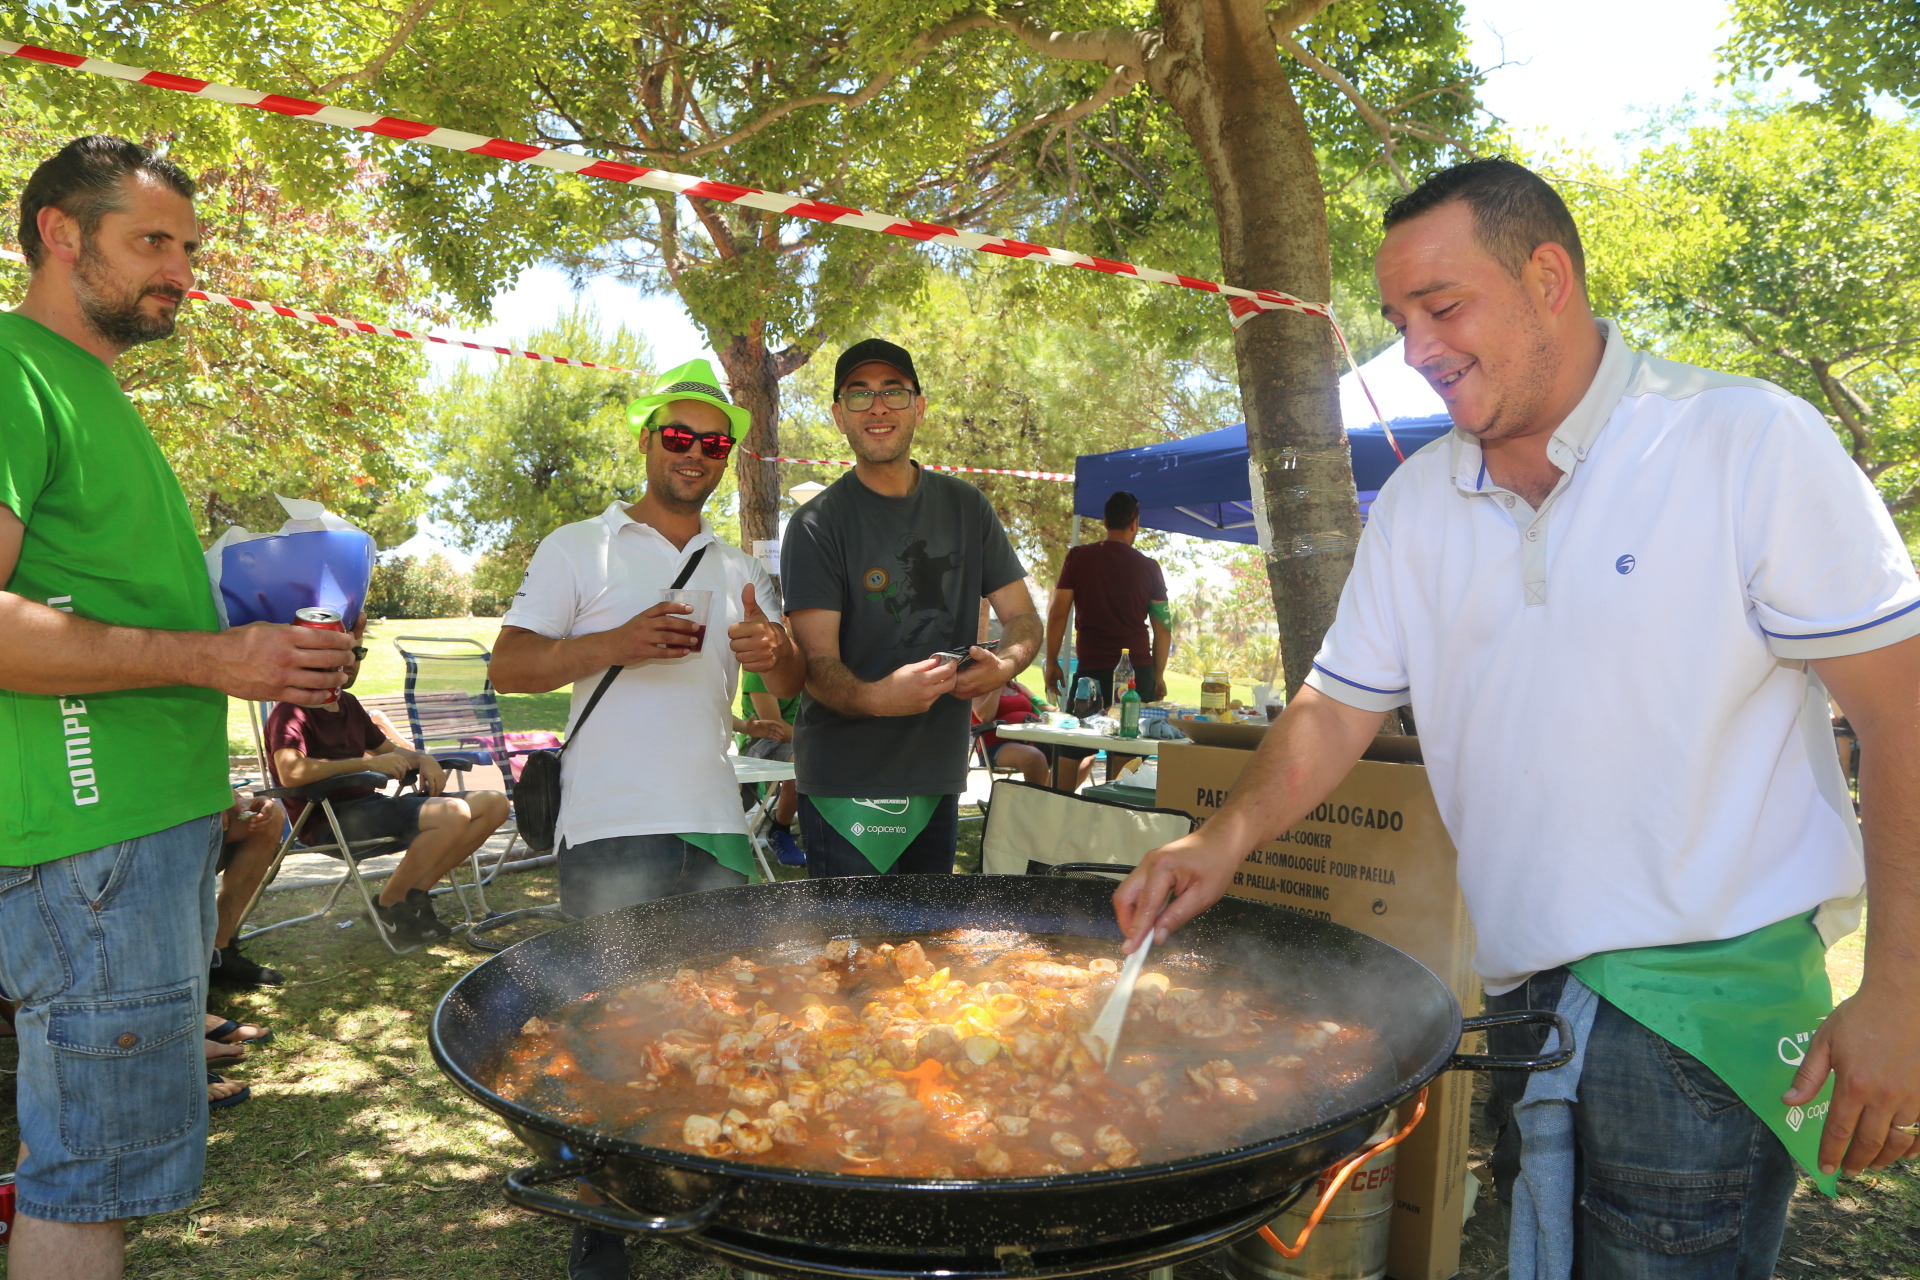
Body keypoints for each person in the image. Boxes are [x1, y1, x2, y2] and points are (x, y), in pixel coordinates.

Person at [1114, 157, 1920, 1280]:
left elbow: (1904, 717)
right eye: (1400, 321)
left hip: (1707, 1013)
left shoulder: (1741, 438)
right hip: (1528, 1001)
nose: (1419, 347)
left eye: (1442, 307)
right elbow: (1336, 705)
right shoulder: (1417, 501)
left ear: (1549, 276)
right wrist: (1221, 837)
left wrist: (1900, 992)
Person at [0, 136, 355, 1280]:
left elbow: (98, 596)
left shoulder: (88, 387)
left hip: (125, 843)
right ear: (61, 231)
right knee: (86, 1184)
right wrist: (214, 656)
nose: (182, 271)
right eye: (152, 240)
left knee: (75, 1163)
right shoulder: (14, 366)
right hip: (89, 842)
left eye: (190, 248)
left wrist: (264, 626)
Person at [489, 357, 803, 1280]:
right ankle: (609, 1232)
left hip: (712, 820)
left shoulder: (741, 563)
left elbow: (786, 683)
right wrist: (616, 643)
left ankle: (731, 1207)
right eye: (678, 436)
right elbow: (510, 666)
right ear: (646, 441)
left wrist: (774, 650)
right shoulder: (578, 545)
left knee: (734, 1015)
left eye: (713, 443)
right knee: (611, 1027)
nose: (695, 454)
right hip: (611, 822)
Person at [781, 338, 1042, 878]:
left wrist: (1005, 667)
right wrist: (879, 698)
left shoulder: (967, 507)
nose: (878, 407)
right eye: (859, 395)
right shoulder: (815, 525)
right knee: (849, 954)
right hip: (846, 785)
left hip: (938, 778)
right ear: (838, 416)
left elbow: (1023, 619)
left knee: (929, 955)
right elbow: (816, 667)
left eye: (893, 392)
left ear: (918, 407)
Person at [266, 620, 510, 945]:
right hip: (329, 819)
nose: (352, 662)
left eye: (358, 653)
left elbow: (390, 751)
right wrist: (367, 764)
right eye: (345, 654)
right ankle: (388, 904)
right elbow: (291, 773)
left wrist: (423, 758)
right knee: (453, 813)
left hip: (370, 809)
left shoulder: (348, 705)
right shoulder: (290, 712)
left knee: (494, 804)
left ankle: (415, 896)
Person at [1044, 490, 1171, 714]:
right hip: (1137, 671)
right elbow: (1162, 629)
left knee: (1079, 742)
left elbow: (1058, 613)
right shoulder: (1150, 567)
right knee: (1127, 740)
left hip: (1092, 668)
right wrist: (1157, 676)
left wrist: (1052, 660)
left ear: (1104, 522)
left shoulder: (1077, 557)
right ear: (1135, 524)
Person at [208, 790, 287, 987]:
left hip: (202, 799)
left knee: (270, 816)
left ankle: (220, 952)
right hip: (154, 811)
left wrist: (239, 803)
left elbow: (205, 765)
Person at [733, 668, 803, 865]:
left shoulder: (809, 662)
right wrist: (817, 741)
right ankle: (780, 831)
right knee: (804, 760)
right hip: (762, 740)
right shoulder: (758, 668)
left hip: (804, 739)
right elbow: (773, 727)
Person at [971, 677, 1049, 787]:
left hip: (1033, 740)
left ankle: (1054, 799)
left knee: (1070, 753)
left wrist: (1067, 712)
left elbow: (1042, 705)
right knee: (1034, 757)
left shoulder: (1016, 686)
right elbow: (985, 717)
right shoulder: (978, 688)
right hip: (996, 746)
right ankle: (1038, 802)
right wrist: (997, 685)